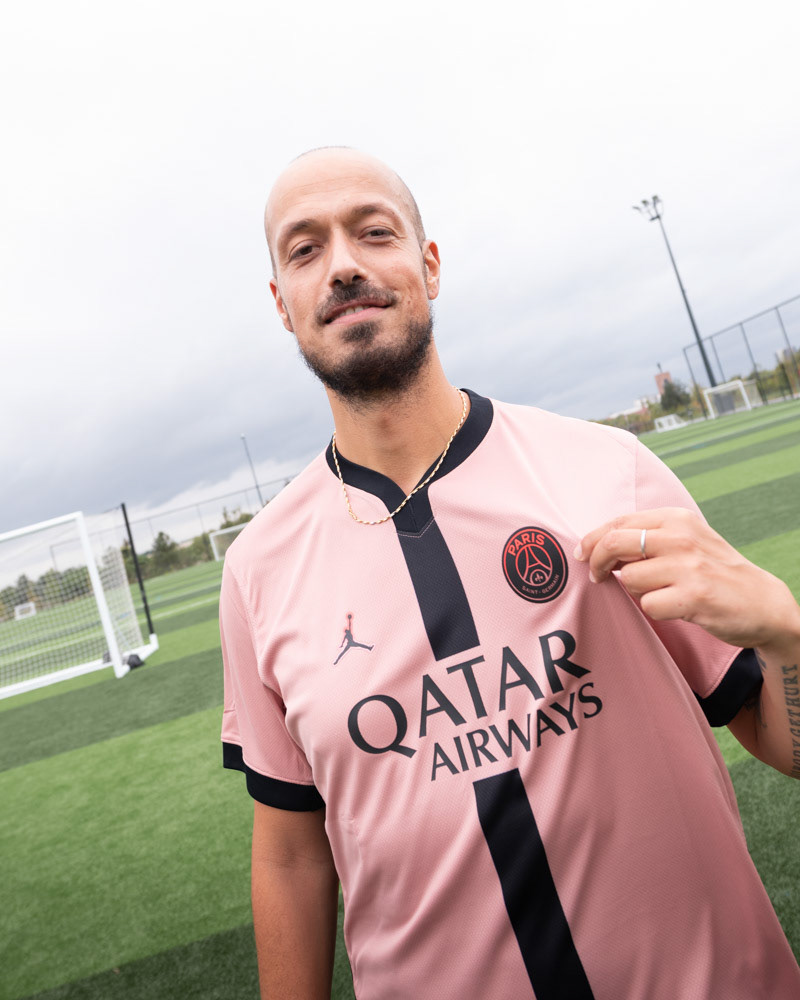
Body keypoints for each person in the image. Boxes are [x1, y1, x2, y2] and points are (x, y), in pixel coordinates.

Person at [220, 146, 800, 1000]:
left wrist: (787, 636)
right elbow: (292, 854)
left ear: (430, 265)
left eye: (373, 233)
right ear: (283, 303)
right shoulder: (257, 571)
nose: (342, 265)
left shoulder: (606, 472)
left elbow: (783, 743)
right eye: (305, 250)